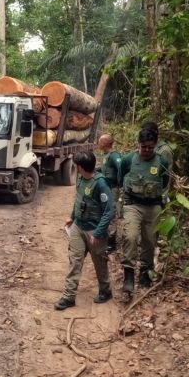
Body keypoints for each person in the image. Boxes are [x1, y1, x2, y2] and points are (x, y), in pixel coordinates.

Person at [54, 151, 115, 310]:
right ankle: (69, 296)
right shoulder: (80, 179)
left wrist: (98, 232)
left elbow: (109, 211)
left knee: (99, 263)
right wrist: (72, 216)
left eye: (76, 165)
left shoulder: (100, 184)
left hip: (94, 230)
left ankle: (105, 290)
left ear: (80, 167)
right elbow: (79, 199)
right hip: (78, 227)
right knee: (75, 261)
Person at [120, 125, 171, 297]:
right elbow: (121, 176)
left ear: (155, 145)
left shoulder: (162, 161)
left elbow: (164, 181)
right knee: (131, 236)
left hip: (153, 206)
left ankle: (145, 272)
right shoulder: (129, 159)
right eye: (144, 147)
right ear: (138, 144)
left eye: (150, 147)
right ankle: (128, 276)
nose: (147, 150)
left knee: (150, 241)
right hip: (133, 204)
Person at [97, 134, 123, 252]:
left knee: (111, 213)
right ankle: (105, 237)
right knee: (104, 212)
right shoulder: (106, 155)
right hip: (106, 188)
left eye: (100, 141)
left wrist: (119, 183)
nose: (98, 143)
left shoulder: (114, 156)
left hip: (113, 188)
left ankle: (112, 243)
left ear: (105, 143)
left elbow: (121, 168)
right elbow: (105, 169)